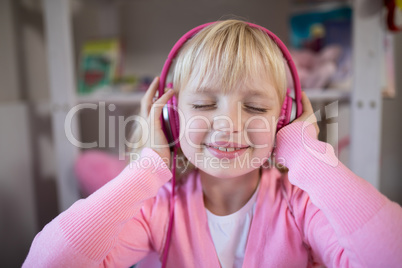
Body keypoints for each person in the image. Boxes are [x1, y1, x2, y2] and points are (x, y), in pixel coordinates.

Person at [23, 19, 402, 268]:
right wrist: (148, 166)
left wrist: (309, 157)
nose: (228, 124)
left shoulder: (299, 205)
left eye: (254, 106)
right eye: (204, 104)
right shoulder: (159, 207)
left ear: (283, 118)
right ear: (170, 115)